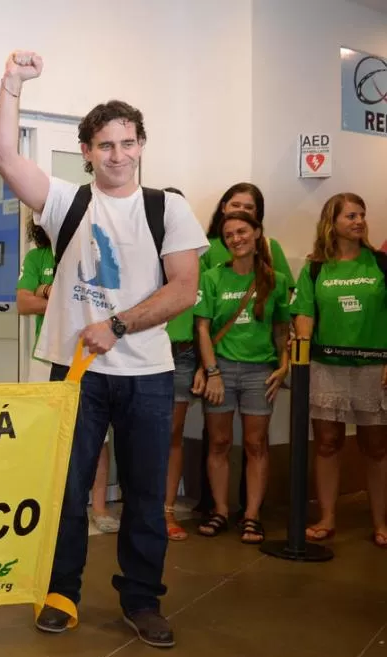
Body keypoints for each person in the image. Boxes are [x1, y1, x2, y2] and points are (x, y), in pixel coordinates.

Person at [0, 50, 208, 648]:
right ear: (87, 151)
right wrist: (12, 84)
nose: (118, 154)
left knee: (143, 495)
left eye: (128, 142)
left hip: (147, 375)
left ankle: (142, 601)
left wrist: (119, 324)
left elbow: (184, 289)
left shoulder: (169, 208)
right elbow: (5, 156)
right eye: (105, 144)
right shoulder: (68, 203)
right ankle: (61, 593)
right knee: (64, 491)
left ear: (141, 145)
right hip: (76, 372)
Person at [291, 193, 387, 549]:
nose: (359, 220)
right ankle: (327, 517)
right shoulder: (316, 267)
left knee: (376, 447)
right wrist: (302, 349)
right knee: (328, 443)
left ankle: (380, 521)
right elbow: (304, 312)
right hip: (326, 367)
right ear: (332, 222)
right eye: (351, 215)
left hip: (372, 367)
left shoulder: (380, 264)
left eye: (362, 214)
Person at [17, 214, 120, 535]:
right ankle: (46, 506)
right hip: (46, 357)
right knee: (44, 433)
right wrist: (62, 297)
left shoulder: (92, 253)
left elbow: (103, 303)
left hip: (88, 358)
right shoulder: (37, 257)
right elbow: (22, 302)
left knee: (97, 437)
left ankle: (100, 506)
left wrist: (47, 292)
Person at [197, 183, 294, 522]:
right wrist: (211, 372)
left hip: (260, 372)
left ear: (257, 233)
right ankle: (221, 511)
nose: (236, 239)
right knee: (219, 443)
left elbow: (283, 329)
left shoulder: (276, 280)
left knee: (256, 445)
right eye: (229, 235)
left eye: (242, 231)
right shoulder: (211, 278)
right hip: (220, 370)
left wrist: (284, 366)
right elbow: (203, 328)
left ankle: (252, 515)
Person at [161, 187, 205, 542]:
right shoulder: (141, 256)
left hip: (183, 355)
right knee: (142, 435)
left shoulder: (196, 261)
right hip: (144, 354)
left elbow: (205, 318)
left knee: (172, 435)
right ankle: (142, 506)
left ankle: (166, 510)